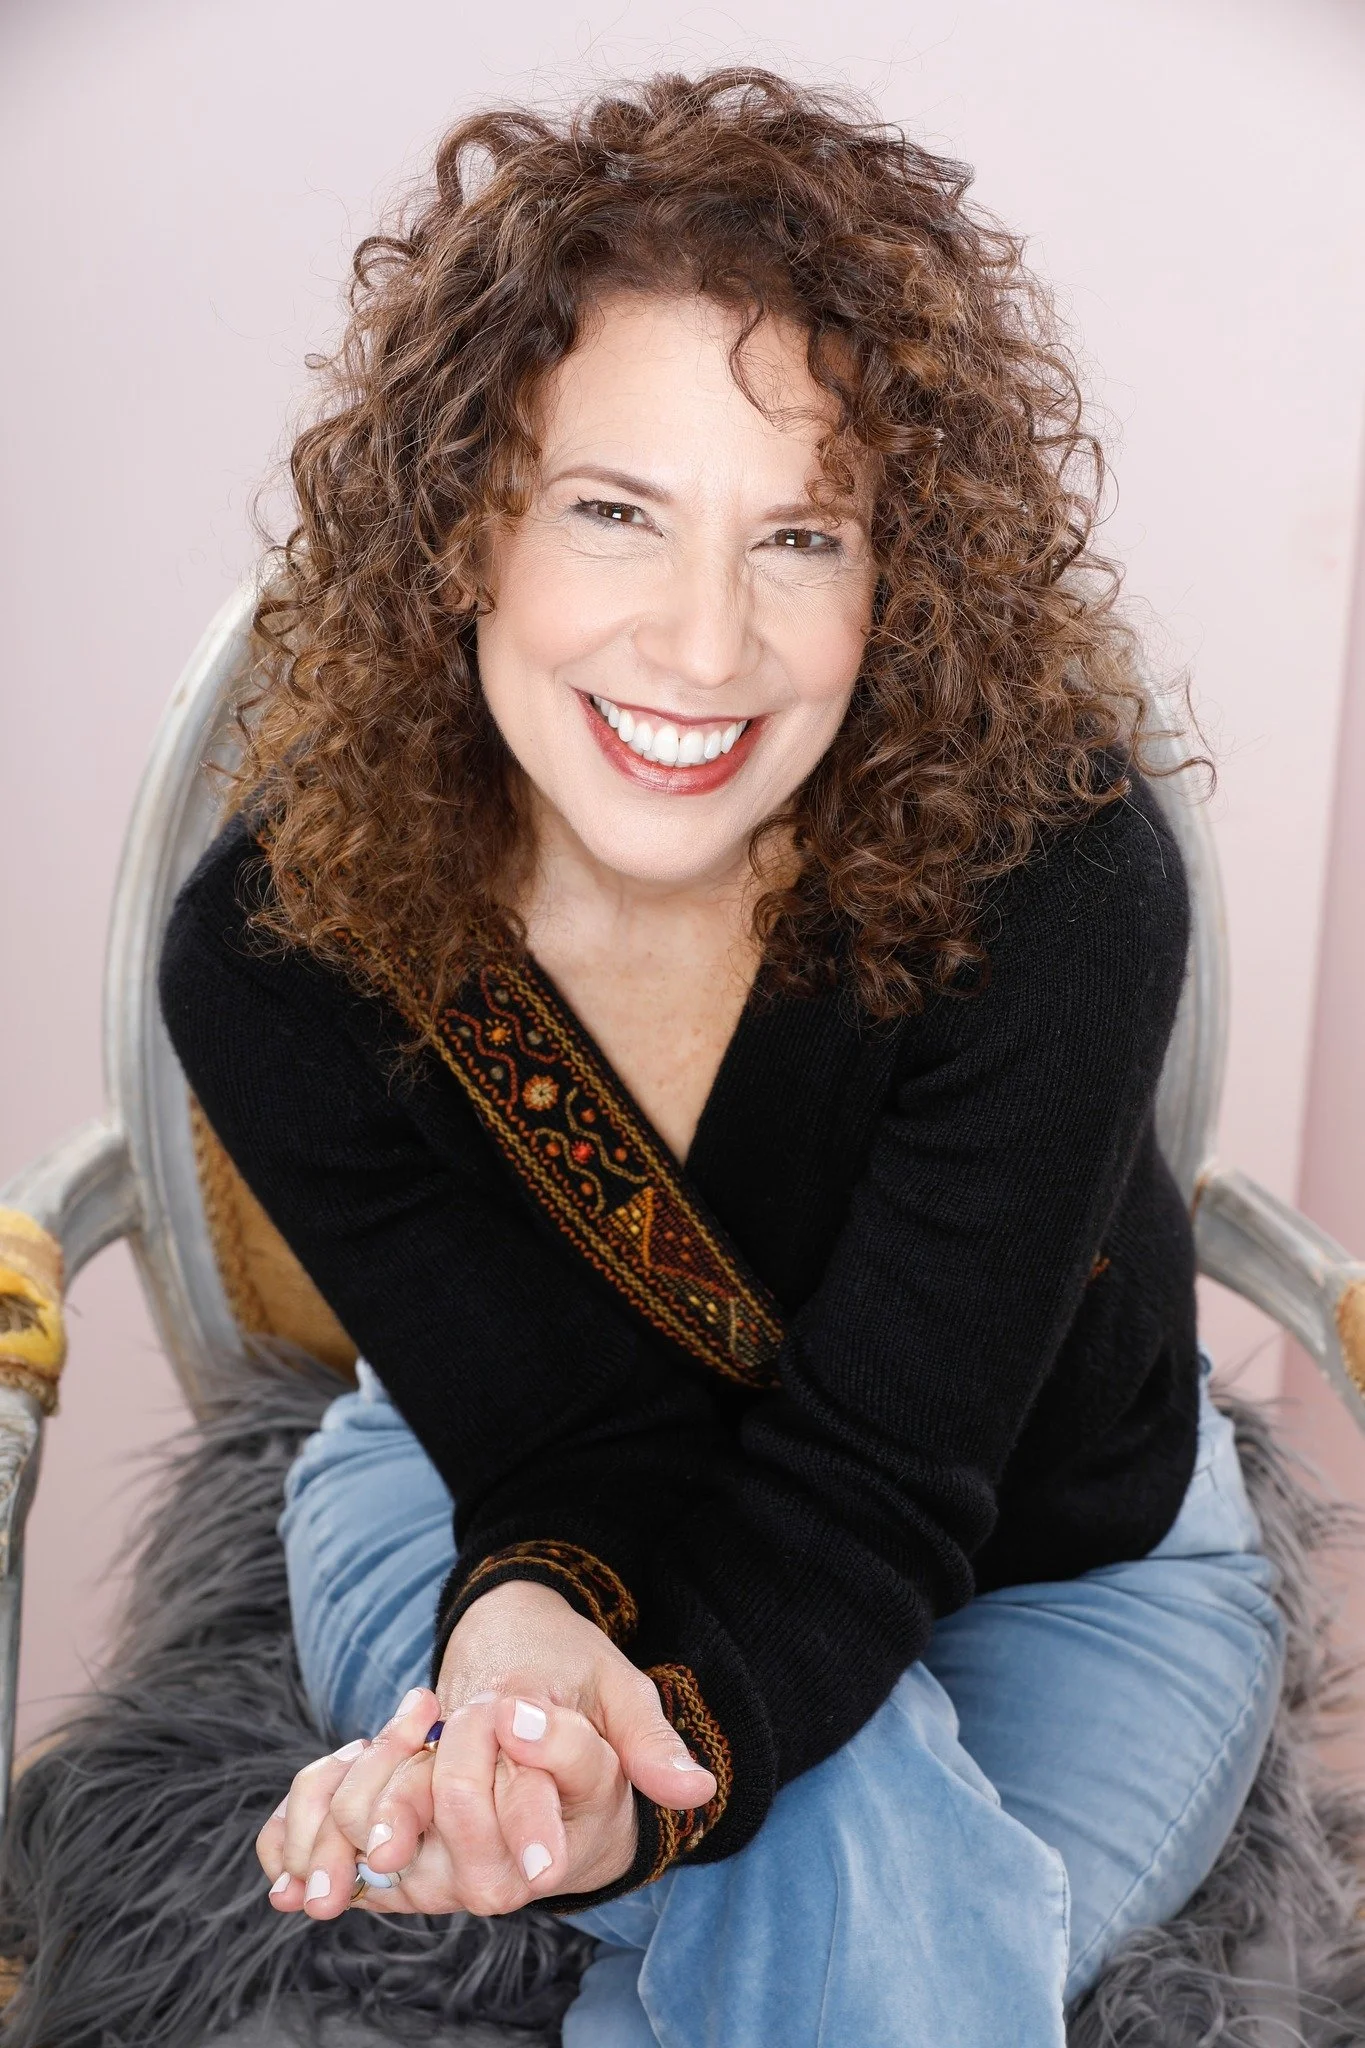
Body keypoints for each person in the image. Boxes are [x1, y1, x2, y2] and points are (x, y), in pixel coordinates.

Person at [157, 67, 1285, 2047]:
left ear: (900, 579)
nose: (698, 645)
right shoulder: (285, 948)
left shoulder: (1058, 871)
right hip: (463, 1484)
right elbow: (563, 1452)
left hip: (1047, 1559)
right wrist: (523, 1635)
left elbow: (861, 1504)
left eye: (801, 539)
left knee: (834, 1845)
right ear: (462, 533)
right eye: (612, 511)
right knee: (867, 1910)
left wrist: (622, 1767)